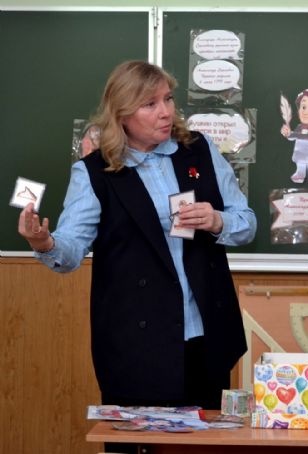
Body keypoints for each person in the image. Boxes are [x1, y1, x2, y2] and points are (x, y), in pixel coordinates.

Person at [18, 61, 256, 412]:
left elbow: (247, 223)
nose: (166, 112)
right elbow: (71, 250)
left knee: (206, 437)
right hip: (136, 344)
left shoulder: (200, 150)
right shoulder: (95, 172)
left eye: (168, 99)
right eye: (150, 104)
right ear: (123, 114)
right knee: (135, 439)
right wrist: (44, 243)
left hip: (206, 338)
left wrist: (218, 220)